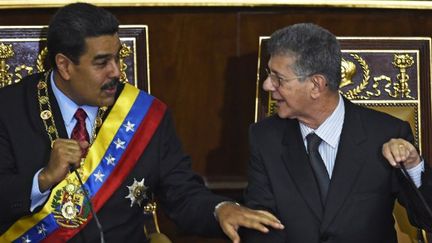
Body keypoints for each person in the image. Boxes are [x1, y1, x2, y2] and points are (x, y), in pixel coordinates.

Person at [0, 3, 283, 242]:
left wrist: (220, 209)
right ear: (64, 66)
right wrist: (44, 179)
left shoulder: (144, 114)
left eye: (117, 58)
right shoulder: (8, 110)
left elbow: (181, 192)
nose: (116, 72)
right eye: (101, 62)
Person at [241, 23, 432, 243]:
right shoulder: (265, 138)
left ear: (316, 85)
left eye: (278, 78)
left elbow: (427, 218)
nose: (267, 85)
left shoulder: (386, 134)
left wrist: (413, 166)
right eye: (268, 74)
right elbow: (260, 225)